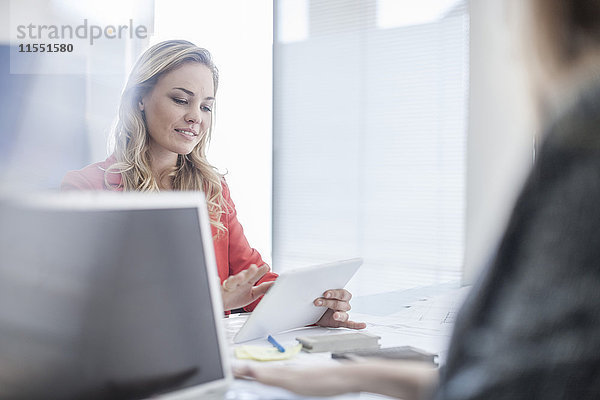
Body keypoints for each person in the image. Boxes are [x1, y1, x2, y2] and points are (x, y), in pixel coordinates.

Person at [234, 0, 600, 398]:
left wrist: (300, 308)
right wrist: (354, 376)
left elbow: (520, 385)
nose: (512, 46)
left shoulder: (587, 127)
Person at [61, 40, 366, 330]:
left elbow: (252, 279)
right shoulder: (85, 188)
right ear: (139, 98)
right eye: (181, 100)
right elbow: (84, 308)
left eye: (206, 107)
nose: (195, 117)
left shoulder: (212, 188)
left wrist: (312, 310)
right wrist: (212, 302)